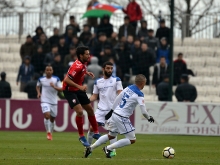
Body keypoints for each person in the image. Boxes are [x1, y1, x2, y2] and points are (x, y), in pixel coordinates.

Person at [84, 74, 154, 158]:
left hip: (115, 113)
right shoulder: (140, 94)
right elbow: (144, 111)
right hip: (122, 116)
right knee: (132, 139)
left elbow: (118, 98)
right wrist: (149, 117)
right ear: (143, 83)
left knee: (111, 135)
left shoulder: (129, 87)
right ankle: (108, 148)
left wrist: (112, 111)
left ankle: (90, 148)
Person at [62, 46, 101, 147]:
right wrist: (79, 86)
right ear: (81, 55)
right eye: (87, 54)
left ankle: (96, 133)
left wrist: (86, 73)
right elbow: (66, 80)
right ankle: (81, 136)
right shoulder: (77, 66)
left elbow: (79, 72)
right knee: (79, 111)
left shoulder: (83, 64)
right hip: (69, 90)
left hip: (78, 89)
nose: (89, 56)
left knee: (90, 110)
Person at [87, 61, 123, 157]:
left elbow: (120, 93)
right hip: (101, 109)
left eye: (111, 68)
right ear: (103, 69)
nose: (110, 70)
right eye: (108, 68)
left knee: (112, 132)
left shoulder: (117, 80)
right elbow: (94, 96)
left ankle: (112, 151)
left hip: (113, 110)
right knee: (91, 128)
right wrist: (86, 101)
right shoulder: (97, 82)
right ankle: (88, 148)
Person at [36, 65, 63, 140]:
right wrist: (38, 93)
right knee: (47, 115)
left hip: (54, 102)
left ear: (52, 71)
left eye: (50, 70)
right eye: (47, 70)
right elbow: (38, 86)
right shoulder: (41, 79)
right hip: (44, 101)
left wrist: (54, 86)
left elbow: (61, 89)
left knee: (52, 118)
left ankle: (50, 133)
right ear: (45, 71)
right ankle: (48, 132)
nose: (48, 71)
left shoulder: (56, 79)